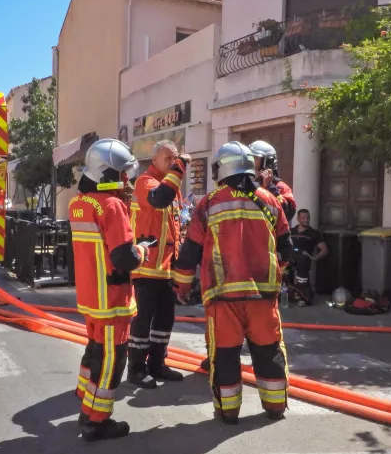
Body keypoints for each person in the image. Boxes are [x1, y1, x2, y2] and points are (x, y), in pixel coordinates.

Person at [174, 141, 294, 424]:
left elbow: (189, 252)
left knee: (225, 356)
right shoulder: (270, 200)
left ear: (221, 169)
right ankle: (275, 406)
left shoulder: (208, 203)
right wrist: (275, 273)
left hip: (222, 298)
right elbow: (287, 249)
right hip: (263, 297)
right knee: (268, 350)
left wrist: (180, 287)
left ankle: (228, 412)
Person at [69, 138, 151, 441]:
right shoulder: (112, 206)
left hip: (90, 298)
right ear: (110, 173)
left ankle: (85, 402)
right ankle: (96, 420)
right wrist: (142, 249)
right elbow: (124, 258)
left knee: (94, 352)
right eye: (123, 173)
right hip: (112, 299)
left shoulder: (78, 204)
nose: (126, 180)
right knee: (111, 360)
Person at [127, 140, 189, 388]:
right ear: (154, 161)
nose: (173, 163)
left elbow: (174, 230)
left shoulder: (172, 188)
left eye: (175, 158)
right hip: (145, 268)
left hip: (164, 269)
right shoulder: (146, 183)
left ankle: (157, 364)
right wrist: (181, 167)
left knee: (165, 320)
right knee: (143, 321)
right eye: (168, 159)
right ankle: (136, 369)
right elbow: (160, 198)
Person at [248, 140, 297, 222]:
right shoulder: (250, 184)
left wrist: (270, 187)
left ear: (267, 161)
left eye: (255, 158)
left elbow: (288, 214)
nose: (251, 162)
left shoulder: (281, 187)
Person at [289, 209, 328, 306]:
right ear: (298, 219)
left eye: (308, 218)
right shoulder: (291, 231)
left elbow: (325, 250)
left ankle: (303, 296)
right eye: (303, 218)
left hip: (303, 259)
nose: (306, 220)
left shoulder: (314, 233)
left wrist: (314, 258)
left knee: (302, 262)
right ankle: (286, 295)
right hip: (290, 257)